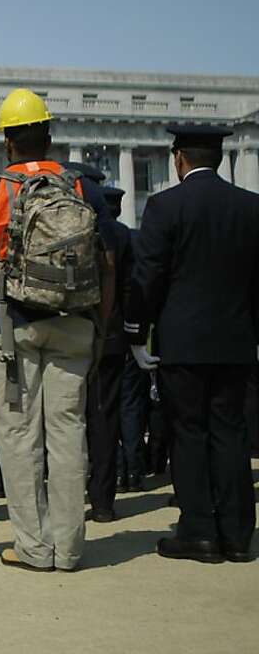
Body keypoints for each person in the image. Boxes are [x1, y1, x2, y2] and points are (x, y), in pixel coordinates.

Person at [0, 88, 114, 573]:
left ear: (6, 141)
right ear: (49, 135)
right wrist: (101, 326)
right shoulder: (82, 189)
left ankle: (33, 547)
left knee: (19, 439)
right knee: (69, 435)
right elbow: (109, 263)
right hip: (75, 324)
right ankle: (69, 549)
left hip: (12, 327)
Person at [125, 125, 258, 564]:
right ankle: (238, 535)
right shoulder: (249, 206)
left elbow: (147, 277)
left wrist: (135, 331)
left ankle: (199, 530)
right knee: (231, 433)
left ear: (178, 157)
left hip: (181, 341)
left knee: (188, 433)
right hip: (237, 340)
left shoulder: (165, 206)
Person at [86, 184, 135, 521]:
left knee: (63, 420)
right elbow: (131, 287)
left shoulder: (73, 226)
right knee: (106, 418)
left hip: (69, 334)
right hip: (111, 335)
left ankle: (66, 497)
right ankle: (103, 500)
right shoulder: (123, 235)